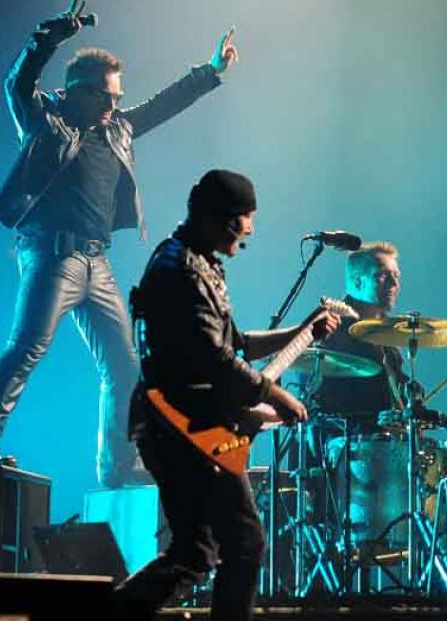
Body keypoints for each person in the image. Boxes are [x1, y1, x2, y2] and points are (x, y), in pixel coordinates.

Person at [0, 4, 240, 489]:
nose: (114, 105)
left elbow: (163, 105)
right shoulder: (44, 120)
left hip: (96, 261)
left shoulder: (119, 128)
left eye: (118, 97)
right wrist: (54, 34)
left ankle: (119, 469)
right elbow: (16, 83)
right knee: (27, 347)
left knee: (126, 367)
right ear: (77, 92)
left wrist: (210, 72)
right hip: (52, 254)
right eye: (106, 96)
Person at [116, 170, 340, 621]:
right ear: (224, 220)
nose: (252, 231)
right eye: (247, 220)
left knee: (196, 552)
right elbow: (216, 361)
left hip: (183, 424)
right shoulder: (180, 269)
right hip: (185, 426)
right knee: (243, 542)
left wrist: (301, 332)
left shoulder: (198, 262)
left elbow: (236, 343)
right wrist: (275, 395)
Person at [316, 241, 411, 419]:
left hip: (386, 439)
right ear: (358, 281)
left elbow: (394, 385)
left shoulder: (386, 331)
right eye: (383, 276)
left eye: (396, 275)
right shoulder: (330, 329)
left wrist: (410, 392)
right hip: (347, 439)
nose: (394, 284)